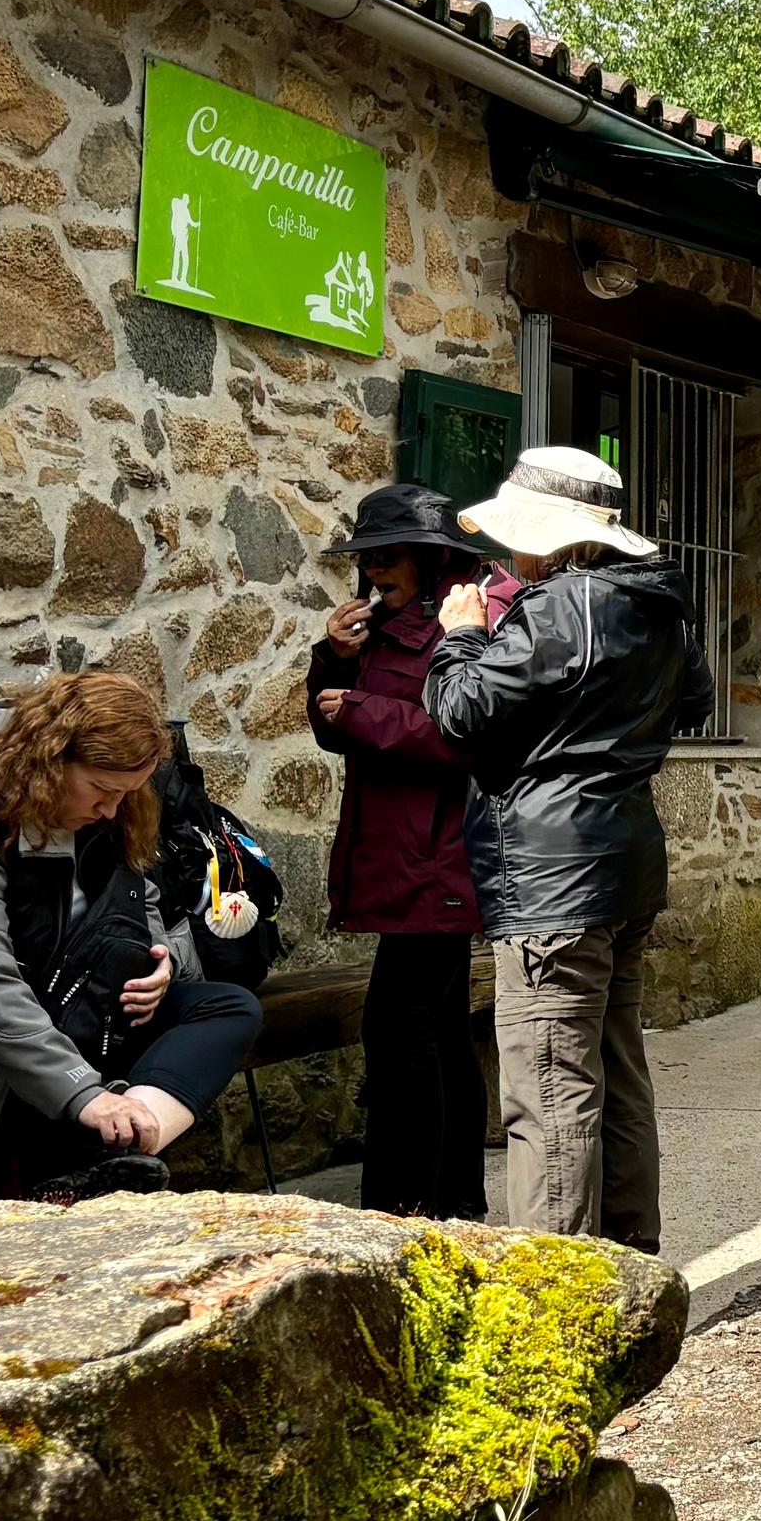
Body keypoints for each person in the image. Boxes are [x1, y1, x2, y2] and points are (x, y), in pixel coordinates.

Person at [424, 445, 713, 1249]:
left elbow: (460, 711)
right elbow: (696, 698)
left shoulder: (556, 608)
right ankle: (630, 1270)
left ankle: (560, 1300)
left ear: (546, 537)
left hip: (550, 880)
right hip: (623, 866)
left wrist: (461, 634)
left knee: (549, 1088)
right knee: (617, 1077)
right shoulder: (653, 605)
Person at [0, 671, 263, 1196]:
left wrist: (157, 962)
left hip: (72, 1013)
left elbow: (136, 893)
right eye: (103, 792)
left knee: (226, 1007)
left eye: (126, 795)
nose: (111, 810)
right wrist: (84, 1094)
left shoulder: (93, 807)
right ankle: (104, 1150)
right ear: (48, 761)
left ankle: (116, 1155)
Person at [308, 481, 487, 1221]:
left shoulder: (460, 628)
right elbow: (333, 727)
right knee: (437, 1029)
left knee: (401, 1028)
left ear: (428, 557)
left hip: (439, 859)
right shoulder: (382, 630)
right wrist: (334, 659)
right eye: (368, 558)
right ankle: (448, 1197)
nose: (374, 570)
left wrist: (362, 709)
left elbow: (464, 739)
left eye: (389, 556)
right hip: (401, 853)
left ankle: (402, 1201)